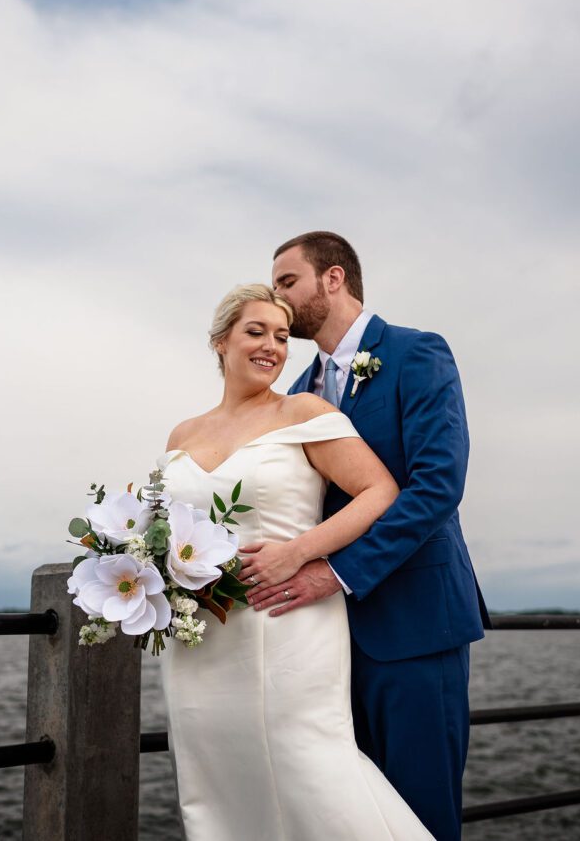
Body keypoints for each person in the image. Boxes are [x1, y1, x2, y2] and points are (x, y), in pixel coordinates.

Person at [158, 284, 434, 840]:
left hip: (288, 618)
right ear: (220, 342)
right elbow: (163, 527)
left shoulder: (303, 410)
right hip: (203, 631)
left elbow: (379, 491)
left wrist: (300, 553)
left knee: (310, 764)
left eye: (282, 337)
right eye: (255, 332)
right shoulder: (182, 433)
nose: (272, 347)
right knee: (215, 773)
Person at [242, 231, 491, 841]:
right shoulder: (298, 392)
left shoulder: (416, 352)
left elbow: (436, 486)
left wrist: (336, 572)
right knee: (356, 818)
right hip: (326, 643)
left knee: (422, 816)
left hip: (416, 624)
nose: (277, 297)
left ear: (333, 278)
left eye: (286, 281)